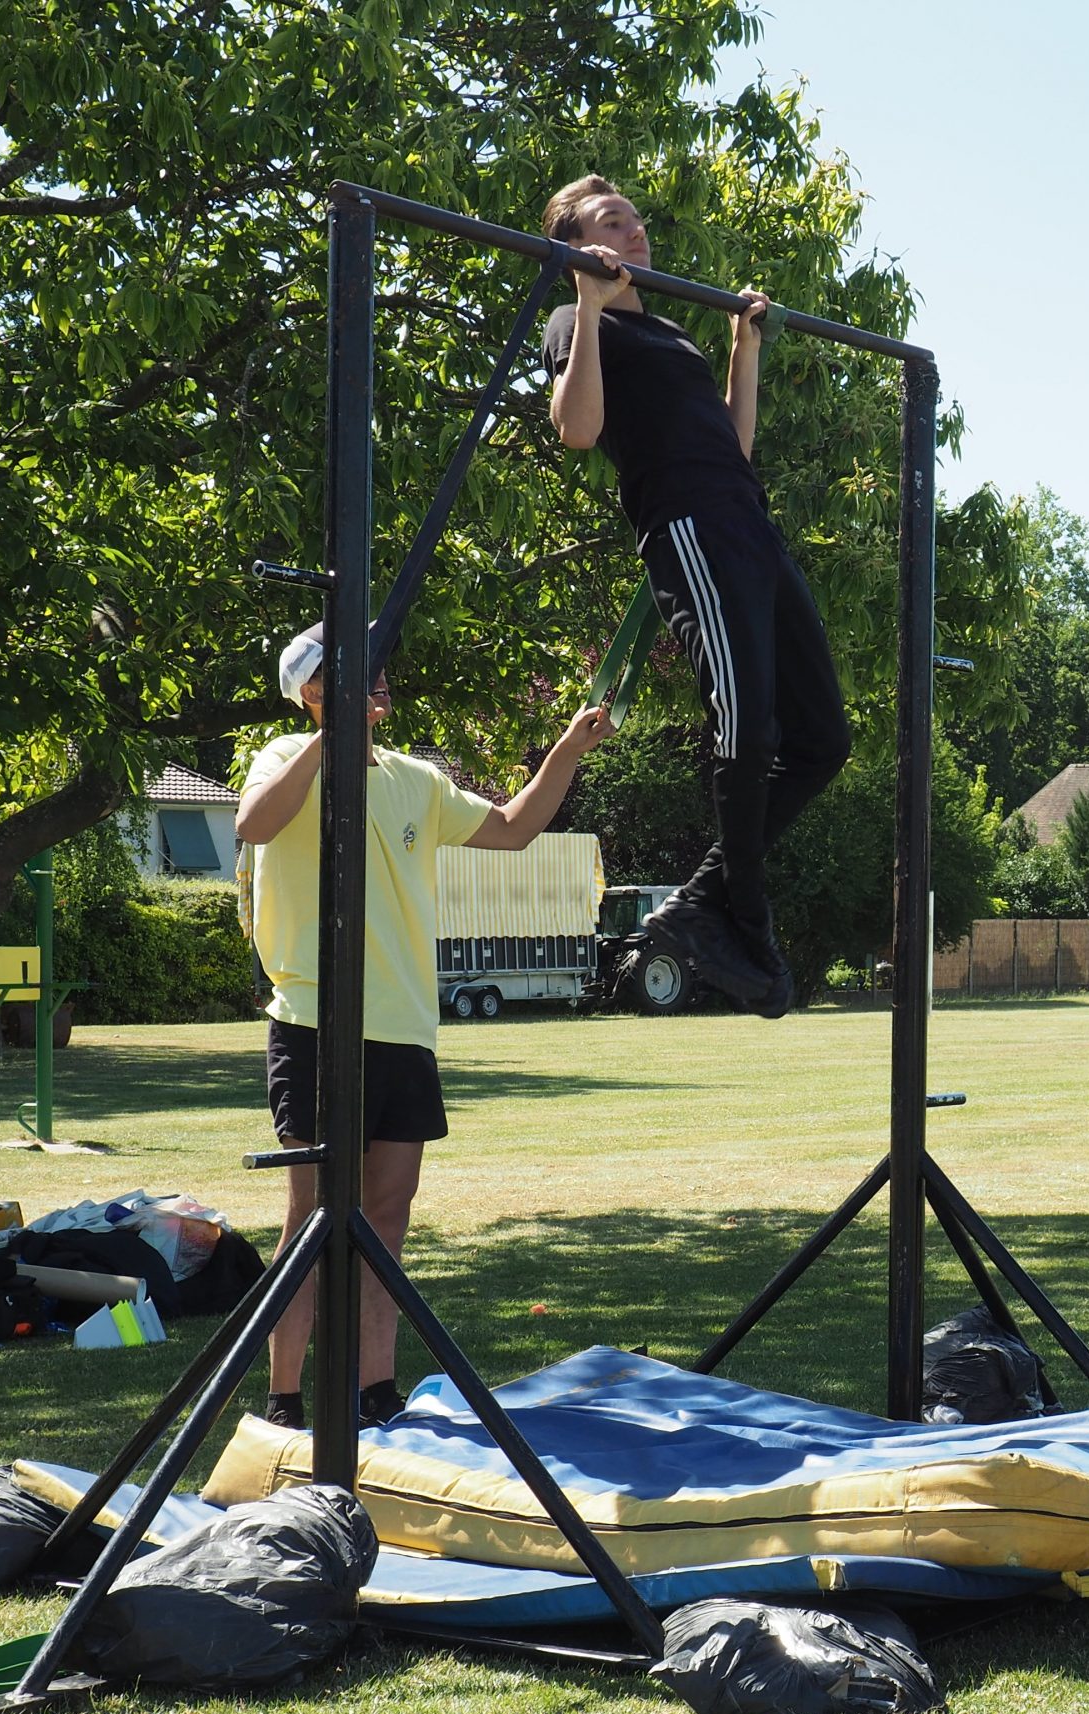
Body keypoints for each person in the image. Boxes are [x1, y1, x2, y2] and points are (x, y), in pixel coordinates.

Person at [237, 626, 613, 1430]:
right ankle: (281, 1402)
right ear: (311, 692)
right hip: (315, 1021)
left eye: (375, 675)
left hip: (405, 1025)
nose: (378, 686)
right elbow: (255, 825)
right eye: (353, 677)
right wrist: (327, 739)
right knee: (308, 1215)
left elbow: (514, 828)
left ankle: (377, 1393)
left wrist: (568, 751)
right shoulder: (282, 756)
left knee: (390, 1210)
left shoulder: (416, 779)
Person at [540, 173, 850, 1018]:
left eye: (635, 220)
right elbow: (578, 430)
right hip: (689, 529)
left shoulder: (673, 331)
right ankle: (743, 918)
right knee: (747, 721)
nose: (634, 232)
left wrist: (742, 346)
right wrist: (589, 302)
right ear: (579, 243)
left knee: (823, 738)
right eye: (612, 222)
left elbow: (734, 446)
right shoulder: (576, 322)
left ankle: (704, 906)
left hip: (747, 521)